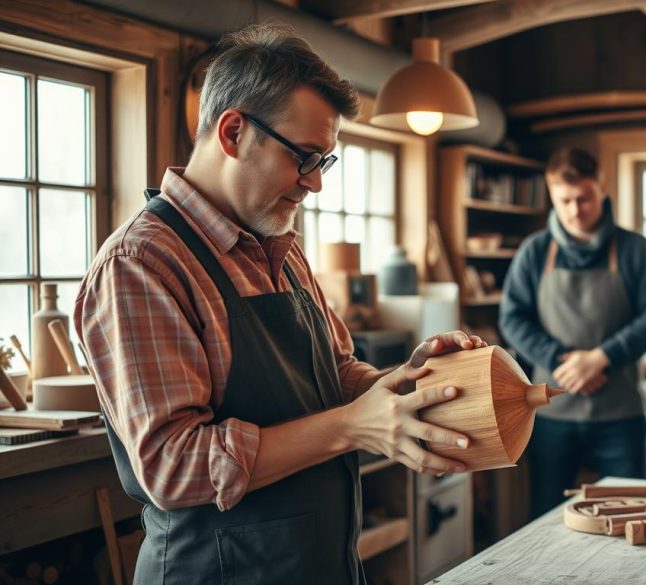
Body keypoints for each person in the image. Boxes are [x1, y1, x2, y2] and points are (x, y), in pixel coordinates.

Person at [74, 24, 482, 584]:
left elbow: (333, 373)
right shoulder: (142, 264)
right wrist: (352, 428)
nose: (315, 185)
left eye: (324, 162)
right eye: (305, 157)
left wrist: (412, 383)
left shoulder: (280, 249)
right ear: (234, 131)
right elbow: (172, 465)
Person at [499, 147, 646, 518]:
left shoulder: (633, 249)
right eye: (565, 201)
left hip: (620, 416)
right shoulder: (534, 252)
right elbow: (512, 319)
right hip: (550, 416)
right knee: (547, 521)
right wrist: (561, 360)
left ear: (602, 188)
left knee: (630, 516)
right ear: (551, 195)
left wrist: (600, 358)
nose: (576, 210)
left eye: (584, 198)